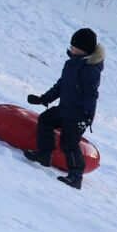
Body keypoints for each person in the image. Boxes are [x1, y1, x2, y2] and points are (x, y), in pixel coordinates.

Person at [24, 28, 104, 190]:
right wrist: (43, 99)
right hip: (64, 109)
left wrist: (89, 116)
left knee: (69, 143)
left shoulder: (91, 70)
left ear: (84, 50)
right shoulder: (71, 64)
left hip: (78, 116)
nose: (71, 48)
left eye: (75, 46)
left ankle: (75, 176)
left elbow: (91, 95)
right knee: (45, 120)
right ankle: (45, 155)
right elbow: (61, 85)